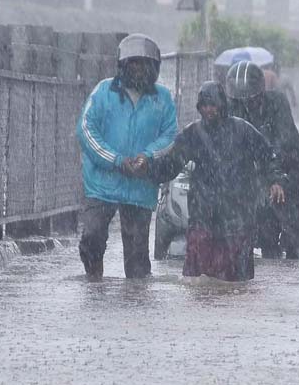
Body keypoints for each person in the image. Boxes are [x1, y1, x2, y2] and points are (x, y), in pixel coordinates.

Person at [122, 82, 286, 282]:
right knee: (197, 279)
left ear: (222, 105)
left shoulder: (243, 130)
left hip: (237, 217)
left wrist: (275, 181)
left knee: (238, 281)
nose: (209, 110)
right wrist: (147, 168)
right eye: (205, 106)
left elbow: (268, 156)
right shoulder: (193, 134)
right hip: (203, 215)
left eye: (213, 105)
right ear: (199, 107)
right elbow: (170, 165)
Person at [77, 33, 178, 281]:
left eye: (145, 64)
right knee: (92, 236)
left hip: (140, 185)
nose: (139, 69)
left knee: (137, 258)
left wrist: (147, 157)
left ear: (153, 68)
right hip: (102, 183)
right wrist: (116, 160)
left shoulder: (162, 99)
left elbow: (170, 136)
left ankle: (136, 304)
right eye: (133, 63)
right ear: (123, 65)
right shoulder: (103, 92)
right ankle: (93, 283)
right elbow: (87, 130)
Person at [225, 61, 299, 259]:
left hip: (290, 168)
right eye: (240, 101)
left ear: (260, 94)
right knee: (251, 226)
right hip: (255, 172)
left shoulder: (277, 103)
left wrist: (276, 178)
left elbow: (282, 142)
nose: (246, 105)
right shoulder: (229, 107)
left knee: (296, 236)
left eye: (251, 100)